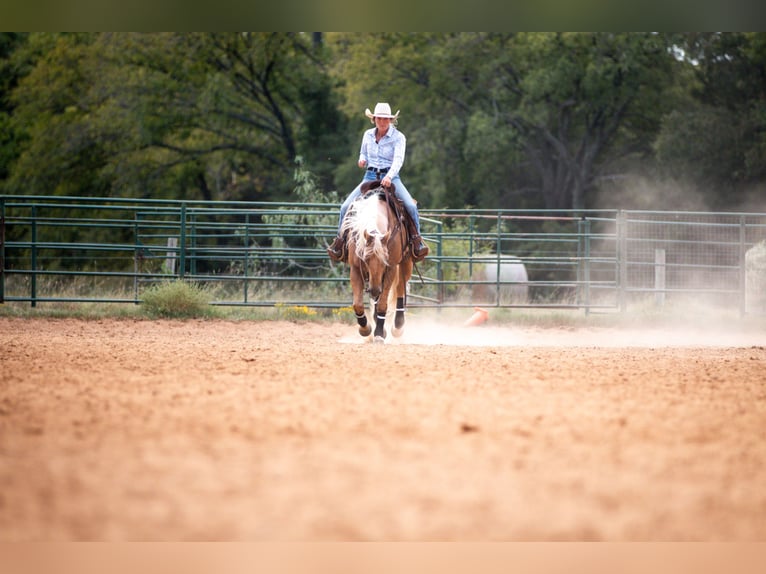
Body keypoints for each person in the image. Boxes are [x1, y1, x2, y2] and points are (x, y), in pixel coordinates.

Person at [327, 102, 429, 262]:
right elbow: (363, 153)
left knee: (410, 205)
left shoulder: (398, 137)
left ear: (391, 120)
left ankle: (417, 241)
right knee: (345, 206)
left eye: (386, 119)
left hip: (391, 177)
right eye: (379, 118)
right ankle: (340, 242)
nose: (382, 121)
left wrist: (389, 176)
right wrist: (362, 160)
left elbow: (398, 160)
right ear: (374, 119)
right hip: (370, 176)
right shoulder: (367, 135)